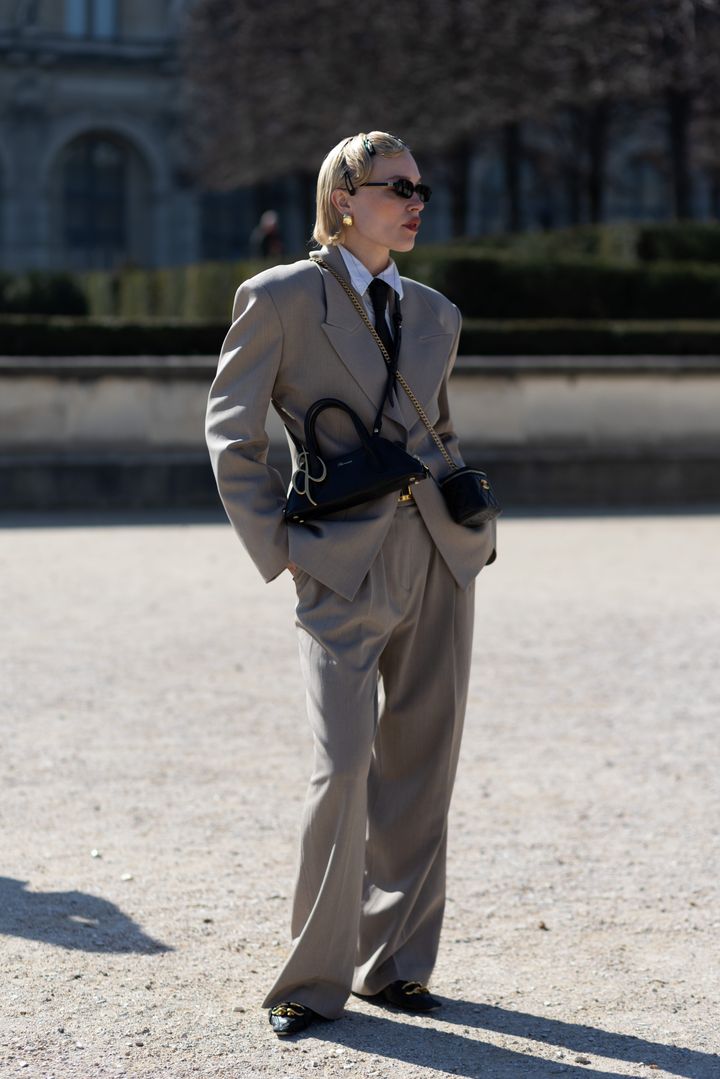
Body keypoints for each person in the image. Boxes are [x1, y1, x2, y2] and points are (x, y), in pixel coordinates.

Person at [205, 131, 497, 1036]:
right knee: (342, 765)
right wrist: (282, 545)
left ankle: (395, 963)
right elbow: (231, 433)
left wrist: (471, 531)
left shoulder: (437, 312)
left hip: (439, 556)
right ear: (343, 197)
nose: (415, 203)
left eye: (421, 189)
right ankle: (312, 977)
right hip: (337, 558)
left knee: (423, 763)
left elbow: (437, 430)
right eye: (396, 187)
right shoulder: (280, 297)